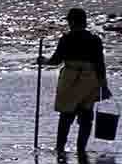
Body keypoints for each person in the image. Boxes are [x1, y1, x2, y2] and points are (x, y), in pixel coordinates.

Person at [37, 8, 111, 156]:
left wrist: (43, 61)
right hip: (90, 79)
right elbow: (100, 65)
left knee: (66, 116)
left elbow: (55, 61)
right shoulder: (94, 40)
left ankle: (60, 149)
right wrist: (104, 86)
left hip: (70, 79)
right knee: (86, 117)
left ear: (71, 22)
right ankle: (81, 151)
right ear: (84, 22)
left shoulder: (66, 39)